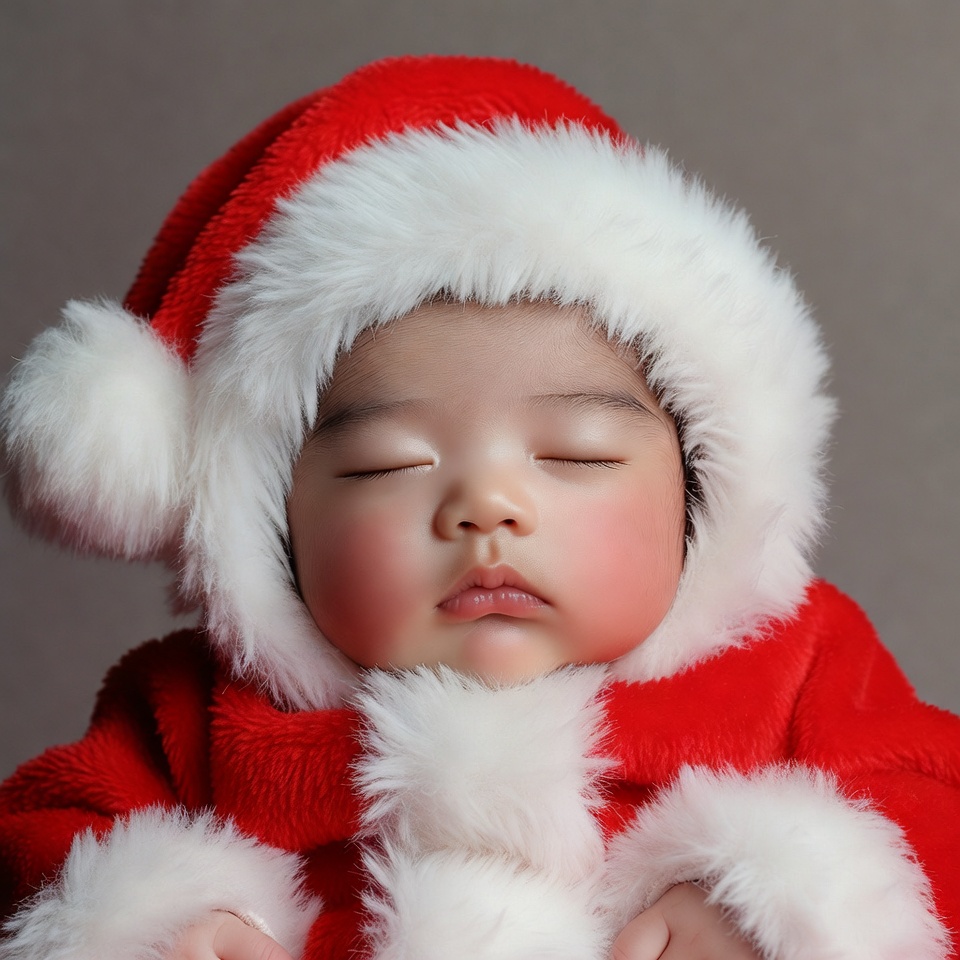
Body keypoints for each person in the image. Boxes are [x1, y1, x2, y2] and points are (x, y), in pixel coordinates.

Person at [1, 55, 958, 960]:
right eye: (386, 465)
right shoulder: (193, 714)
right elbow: (39, 842)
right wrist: (141, 921)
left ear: (702, 489)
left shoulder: (796, 669)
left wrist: (798, 905)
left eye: (576, 453)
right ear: (267, 522)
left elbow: (938, 807)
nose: (485, 508)